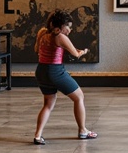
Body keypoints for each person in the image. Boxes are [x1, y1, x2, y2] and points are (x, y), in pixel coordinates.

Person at [32, 10, 97, 144]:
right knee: (79, 97)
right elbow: (76, 54)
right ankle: (83, 130)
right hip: (55, 71)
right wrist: (84, 51)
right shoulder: (60, 37)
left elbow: (36, 50)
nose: (70, 30)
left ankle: (38, 136)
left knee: (48, 104)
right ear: (58, 27)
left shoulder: (42, 32)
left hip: (41, 71)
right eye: (68, 27)